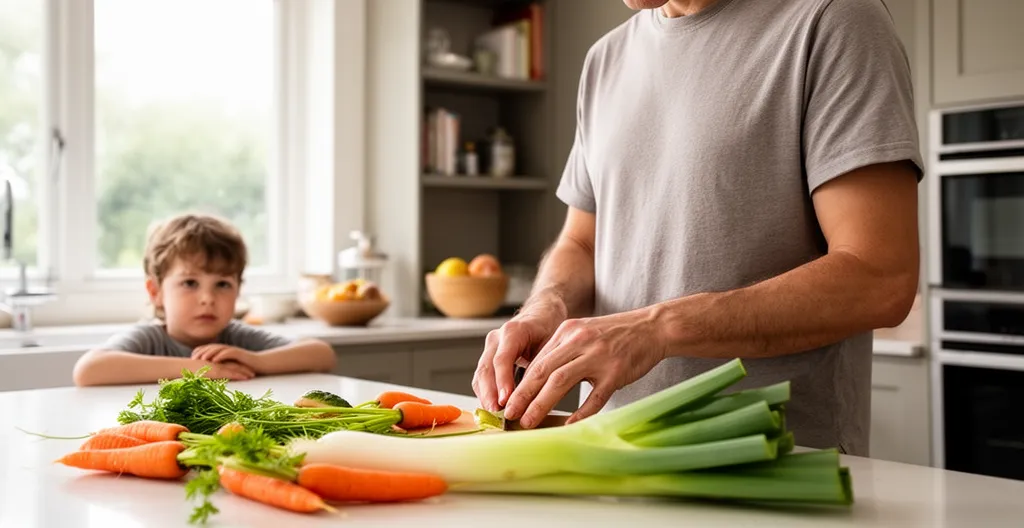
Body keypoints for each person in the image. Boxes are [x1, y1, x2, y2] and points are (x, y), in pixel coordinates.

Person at [472, 0, 922, 456]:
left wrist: (657, 329)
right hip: (604, 452)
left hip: (773, 462)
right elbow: (582, 241)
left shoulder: (833, 19)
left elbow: (880, 277)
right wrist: (545, 307)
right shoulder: (605, 58)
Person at [73, 213, 336, 386]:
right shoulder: (149, 339)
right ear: (156, 292)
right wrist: (200, 370)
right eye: (190, 283)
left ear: (238, 291)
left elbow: (322, 354)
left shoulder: (238, 340)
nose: (208, 298)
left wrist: (257, 361)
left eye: (223, 284)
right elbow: (88, 370)